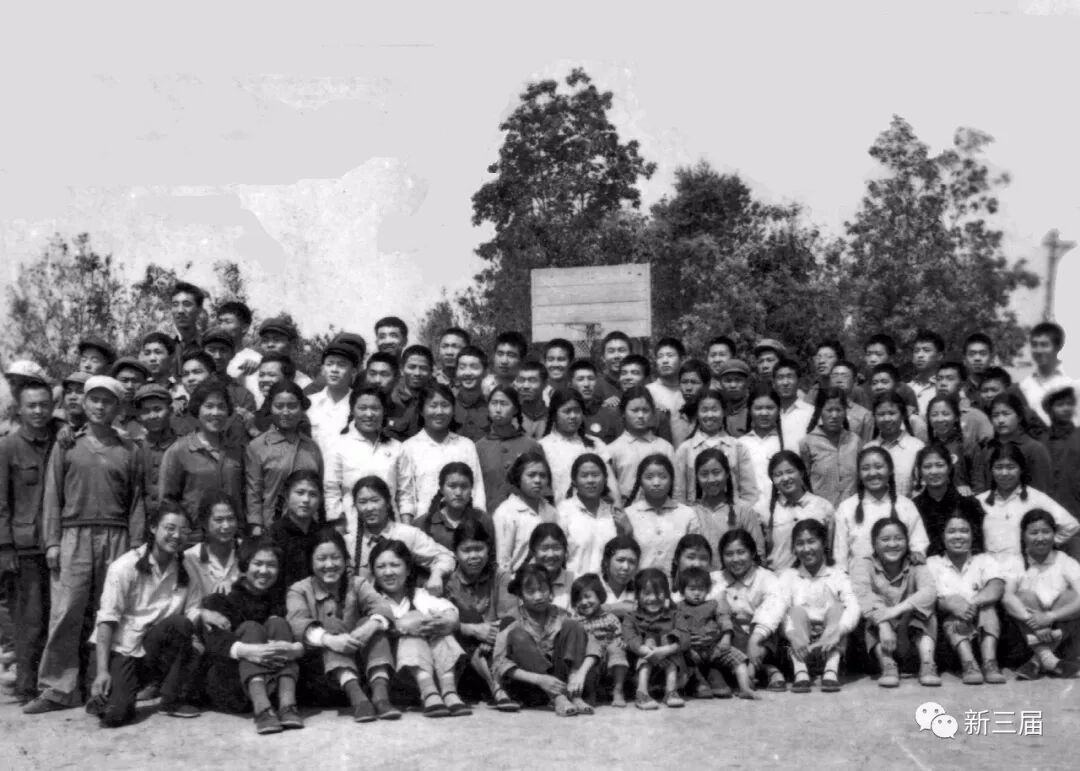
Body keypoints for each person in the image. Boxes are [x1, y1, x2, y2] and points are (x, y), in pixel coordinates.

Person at [25, 376, 145, 714]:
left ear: (118, 407)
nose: (99, 406)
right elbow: (52, 496)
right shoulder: (67, 445)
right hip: (73, 535)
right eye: (94, 399)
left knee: (110, 613)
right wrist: (52, 542)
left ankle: (101, 687)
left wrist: (136, 547)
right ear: (85, 402)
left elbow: (137, 501)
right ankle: (57, 689)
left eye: (107, 401)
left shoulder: (130, 449)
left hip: (117, 536)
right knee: (67, 611)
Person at [86, 502, 204, 726]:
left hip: (153, 646)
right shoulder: (125, 567)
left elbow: (193, 610)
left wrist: (200, 629)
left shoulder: (186, 568)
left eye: (183, 530)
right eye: (170, 528)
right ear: (153, 528)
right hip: (121, 648)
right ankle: (111, 690)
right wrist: (102, 671)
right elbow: (107, 620)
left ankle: (171, 698)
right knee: (115, 716)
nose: (176, 536)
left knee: (181, 624)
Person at [199, 537, 306, 735]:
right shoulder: (223, 598)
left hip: (275, 685)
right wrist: (249, 651)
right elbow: (214, 640)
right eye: (258, 563)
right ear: (245, 565)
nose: (264, 571)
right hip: (233, 688)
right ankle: (262, 709)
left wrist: (293, 649)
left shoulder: (282, 599)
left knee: (278, 623)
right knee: (251, 628)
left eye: (271, 565)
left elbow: (301, 630)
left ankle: (287, 705)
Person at [0, 379, 56, 704]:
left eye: (44, 405)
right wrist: (5, 547)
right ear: (19, 410)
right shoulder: (7, 447)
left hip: (56, 543)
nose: (38, 411)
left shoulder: (58, 440)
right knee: (28, 619)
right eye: (31, 405)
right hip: (24, 547)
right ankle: (26, 685)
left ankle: (49, 681)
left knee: (54, 617)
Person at [369, 539, 469, 717]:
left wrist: (447, 620)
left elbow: (449, 611)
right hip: (402, 676)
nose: (388, 572)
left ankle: (449, 692)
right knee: (411, 636)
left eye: (395, 565)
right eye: (381, 567)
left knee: (440, 629)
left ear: (408, 570)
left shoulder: (420, 595)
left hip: (439, 670)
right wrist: (403, 626)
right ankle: (429, 693)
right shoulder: (373, 601)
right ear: (374, 573)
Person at [493, 563, 598, 717]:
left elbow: (592, 643)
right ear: (520, 595)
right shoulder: (511, 619)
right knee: (518, 635)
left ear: (550, 590)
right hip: (531, 686)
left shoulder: (561, 614)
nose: (538, 596)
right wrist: (540, 679)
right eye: (530, 591)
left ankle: (574, 695)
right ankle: (558, 698)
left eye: (543, 589)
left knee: (573, 625)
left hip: (564, 682)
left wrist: (579, 674)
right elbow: (498, 665)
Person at [851, 518, 940, 688]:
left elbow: (929, 591)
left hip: (910, 634)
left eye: (898, 538)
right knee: (870, 615)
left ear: (907, 542)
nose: (892, 544)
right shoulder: (863, 564)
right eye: (885, 539)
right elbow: (864, 595)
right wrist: (884, 624)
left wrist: (895, 610)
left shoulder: (916, 563)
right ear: (874, 544)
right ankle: (888, 665)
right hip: (882, 638)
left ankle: (928, 664)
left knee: (926, 610)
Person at [443, 519, 519, 711]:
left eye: (479, 549)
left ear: (488, 549)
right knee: (466, 617)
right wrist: (473, 630)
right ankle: (496, 688)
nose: (474, 556)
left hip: (496, 651)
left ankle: (497, 687)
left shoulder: (500, 576)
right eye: (466, 550)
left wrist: (491, 637)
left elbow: (511, 617)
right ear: (456, 553)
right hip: (462, 658)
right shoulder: (449, 583)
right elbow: (444, 623)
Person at [925, 509, 1007, 684]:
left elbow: (997, 587)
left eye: (964, 531)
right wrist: (952, 605)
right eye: (951, 531)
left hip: (980, 621)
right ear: (942, 536)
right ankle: (968, 663)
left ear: (972, 535)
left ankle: (990, 663)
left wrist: (972, 604)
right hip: (950, 631)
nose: (958, 536)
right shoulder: (932, 563)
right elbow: (930, 597)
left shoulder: (984, 560)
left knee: (988, 608)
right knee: (952, 608)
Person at [779, 519, 859, 693]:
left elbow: (853, 607)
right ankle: (801, 672)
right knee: (795, 611)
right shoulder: (788, 576)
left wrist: (836, 632)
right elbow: (780, 611)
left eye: (811, 541)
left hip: (831, 642)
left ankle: (831, 671)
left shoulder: (838, 575)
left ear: (823, 543)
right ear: (794, 548)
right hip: (799, 644)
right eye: (800, 543)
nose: (806, 548)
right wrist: (791, 635)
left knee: (838, 609)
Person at [159, 381, 246, 539]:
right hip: (193, 539)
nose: (216, 413)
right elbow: (167, 501)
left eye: (221, 407)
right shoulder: (179, 451)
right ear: (197, 409)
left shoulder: (237, 451)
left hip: (231, 536)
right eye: (209, 406)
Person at [323, 385, 407, 544]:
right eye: (362, 408)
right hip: (352, 529)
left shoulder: (396, 448)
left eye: (375, 408)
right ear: (352, 410)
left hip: (392, 530)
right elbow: (331, 490)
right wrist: (339, 529)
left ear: (383, 411)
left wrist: (405, 530)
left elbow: (405, 493)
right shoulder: (338, 446)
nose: (369, 414)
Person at [1002, 509, 1080, 679]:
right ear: (1023, 536)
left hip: (1060, 631)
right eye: (1034, 532)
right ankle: (1049, 660)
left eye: (1046, 532)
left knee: (1071, 596)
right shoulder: (1015, 561)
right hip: (1027, 633)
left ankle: (1038, 661)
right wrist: (1035, 622)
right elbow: (1007, 597)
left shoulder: (1065, 561)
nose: (1040, 538)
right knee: (1024, 596)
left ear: (1054, 534)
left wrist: (1050, 616)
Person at [974, 443, 1079, 566]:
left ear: (1021, 470)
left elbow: (1071, 525)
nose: (1004, 473)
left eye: (1011, 467)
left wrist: (1043, 546)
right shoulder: (979, 501)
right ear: (991, 470)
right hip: (989, 571)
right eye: (998, 467)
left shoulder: (1036, 499)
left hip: (1026, 570)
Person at [351, 476, 455, 595]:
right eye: (362, 502)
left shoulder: (408, 534)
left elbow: (446, 558)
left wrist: (436, 575)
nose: (369, 508)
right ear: (355, 506)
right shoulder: (349, 542)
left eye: (375, 500)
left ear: (388, 502)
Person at [713, 529, 787, 692]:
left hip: (761, 640)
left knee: (771, 623)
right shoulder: (715, 579)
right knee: (726, 621)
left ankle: (751, 669)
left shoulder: (766, 577)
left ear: (752, 553)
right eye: (729, 554)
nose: (735, 559)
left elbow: (772, 608)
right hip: (732, 639)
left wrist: (754, 640)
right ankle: (766, 669)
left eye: (741, 552)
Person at [245, 381, 323, 534]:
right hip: (272, 528)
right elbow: (253, 493)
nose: (285, 412)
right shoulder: (258, 447)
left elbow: (320, 492)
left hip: (308, 530)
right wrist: (256, 527)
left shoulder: (312, 447)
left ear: (301, 408)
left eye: (292, 406)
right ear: (270, 407)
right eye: (279, 406)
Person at [399, 384, 485, 523]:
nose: (439, 411)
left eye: (445, 405)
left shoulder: (466, 446)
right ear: (421, 410)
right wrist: (408, 530)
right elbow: (406, 496)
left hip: (463, 525)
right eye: (433, 406)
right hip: (423, 525)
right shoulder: (409, 447)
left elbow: (477, 490)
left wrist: (478, 524)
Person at [833, 446, 929, 571]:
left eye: (878, 467)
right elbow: (839, 555)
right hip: (858, 579)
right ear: (859, 474)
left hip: (900, 578)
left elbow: (918, 544)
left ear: (890, 470)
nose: (872, 473)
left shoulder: (905, 505)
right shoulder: (846, 508)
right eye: (865, 468)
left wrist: (916, 555)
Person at [675, 566, 755, 700]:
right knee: (682, 659)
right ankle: (696, 684)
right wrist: (687, 644)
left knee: (739, 659)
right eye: (692, 589)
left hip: (714, 648)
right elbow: (678, 628)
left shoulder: (713, 605)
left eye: (701, 589)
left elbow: (724, 619)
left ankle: (745, 688)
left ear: (707, 590)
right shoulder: (679, 608)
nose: (697, 593)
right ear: (683, 591)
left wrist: (726, 637)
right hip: (691, 650)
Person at [674, 389, 756, 505]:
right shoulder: (685, 449)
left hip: (732, 512)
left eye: (714, 409)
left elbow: (749, 493)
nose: (710, 415)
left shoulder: (738, 447)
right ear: (697, 414)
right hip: (696, 513)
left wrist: (739, 513)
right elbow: (678, 495)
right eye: (704, 410)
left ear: (724, 412)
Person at [621, 568, 689, 710]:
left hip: (674, 674)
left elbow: (685, 638)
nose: (653, 598)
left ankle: (671, 692)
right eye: (647, 593)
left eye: (658, 593)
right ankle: (642, 692)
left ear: (667, 594)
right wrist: (650, 653)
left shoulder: (675, 615)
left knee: (670, 639)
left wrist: (665, 650)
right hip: (639, 672)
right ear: (637, 595)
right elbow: (629, 639)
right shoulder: (631, 617)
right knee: (647, 642)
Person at [539, 389, 618, 509]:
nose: (573, 416)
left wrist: (618, 505)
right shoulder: (543, 447)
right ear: (554, 414)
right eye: (567, 411)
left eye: (577, 411)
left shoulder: (595, 444)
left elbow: (611, 482)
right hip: (558, 513)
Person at [757, 451, 834, 572]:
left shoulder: (823, 507)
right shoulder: (763, 512)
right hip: (777, 578)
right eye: (778, 475)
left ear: (801, 473)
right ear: (772, 479)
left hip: (815, 578)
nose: (785, 478)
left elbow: (831, 549)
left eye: (790, 472)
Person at [624, 455, 700, 576]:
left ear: (672, 480)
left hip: (678, 584)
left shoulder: (687, 514)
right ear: (640, 481)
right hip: (640, 583)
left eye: (663, 477)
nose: (656, 483)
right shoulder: (628, 515)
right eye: (649, 477)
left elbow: (695, 555)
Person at [557, 453, 631, 576]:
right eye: (584, 476)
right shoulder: (564, 512)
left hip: (606, 585)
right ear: (574, 481)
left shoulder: (614, 513)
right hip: (573, 584)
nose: (590, 480)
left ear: (605, 479)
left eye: (596, 475)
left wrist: (627, 532)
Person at [911, 443, 987, 557]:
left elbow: (977, 547)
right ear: (920, 471)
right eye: (927, 467)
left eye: (940, 465)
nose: (934, 471)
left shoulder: (969, 503)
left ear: (950, 468)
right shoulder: (914, 507)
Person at [474, 386, 542, 513]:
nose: (498, 409)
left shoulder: (531, 446)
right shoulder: (478, 448)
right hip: (489, 516)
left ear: (515, 409)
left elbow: (543, 489)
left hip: (526, 516)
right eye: (494, 403)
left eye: (504, 404)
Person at [691, 448, 764, 564]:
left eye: (716, 472)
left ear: (727, 474)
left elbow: (758, 553)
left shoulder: (744, 510)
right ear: (696, 477)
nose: (711, 480)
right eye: (704, 474)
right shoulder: (691, 513)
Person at [971, 393, 1052, 495]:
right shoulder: (987, 449)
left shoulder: (1034, 449)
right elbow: (979, 486)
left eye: (1006, 414)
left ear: (1019, 417)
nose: (1000, 420)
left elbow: (1040, 491)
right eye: (995, 415)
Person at [493, 450, 558, 572]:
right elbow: (502, 561)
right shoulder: (506, 513)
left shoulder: (551, 512)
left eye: (543, 475)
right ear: (519, 478)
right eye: (531, 475)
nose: (538, 480)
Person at [570, 573, 629, 707]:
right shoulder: (576, 620)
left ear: (599, 595)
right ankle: (590, 693)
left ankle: (618, 690)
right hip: (588, 661)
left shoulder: (610, 618)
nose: (584, 602)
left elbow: (619, 636)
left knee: (617, 648)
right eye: (578, 599)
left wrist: (621, 641)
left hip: (610, 661)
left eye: (587, 596)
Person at [608, 387, 675, 502]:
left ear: (653, 412)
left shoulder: (665, 448)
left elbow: (676, 487)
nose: (640, 415)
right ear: (623, 413)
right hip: (626, 509)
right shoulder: (613, 449)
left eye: (645, 410)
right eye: (634, 410)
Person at [799, 387, 862, 508]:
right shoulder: (808, 443)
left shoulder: (855, 441)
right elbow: (803, 483)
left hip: (851, 511)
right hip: (819, 511)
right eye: (829, 410)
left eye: (839, 410)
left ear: (845, 411)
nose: (834, 415)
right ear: (820, 411)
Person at [414, 462, 495, 553]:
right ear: (441, 489)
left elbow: (492, 556)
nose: (458, 493)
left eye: (464, 487)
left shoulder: (483, 520)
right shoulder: (422, 524)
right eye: (452, 486)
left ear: (471, 489)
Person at [266, 470, 325, 594]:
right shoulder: (273, 535)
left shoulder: (324, 535)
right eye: (300, 493)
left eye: (313, 494)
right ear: (287, 496)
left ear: (320, 500)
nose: (306, 500)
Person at [1018, 322, 1079, 431]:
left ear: (1058, 347)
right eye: (1034, 345)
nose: (1038, 350)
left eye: (1044, 345)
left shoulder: (1073, 381)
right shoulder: (1025, 385)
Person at [1041, 387, 1080, 554]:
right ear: (1049, 410)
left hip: (1077, 514)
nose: (1066, 408)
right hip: (1049, 516)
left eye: (1070, 404)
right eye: (1060, 404)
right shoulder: (1041, 441)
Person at [306, 343, 360, 461]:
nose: (334, 370)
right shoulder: (309, 403)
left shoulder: (360, 405)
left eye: (341, 365)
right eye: (329, 364)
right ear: (322, 370)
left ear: (353, 371)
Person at [865, 391, 925, 497]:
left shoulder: (917, 448)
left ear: (902, 415)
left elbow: (921, 488)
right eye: (881, 414)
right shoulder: (868, 449)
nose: (886, 419)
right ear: (874, 417)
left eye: (892, 413)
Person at [183, 492, 241, 598]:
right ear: (204, 523)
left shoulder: (247, 551)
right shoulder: (190, 558)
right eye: (219, 520)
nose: (226, 526)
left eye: (231, 519)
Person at [736, 388, 784, 508]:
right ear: (750, 411)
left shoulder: (785, 443)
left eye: (770, 408)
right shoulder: (740, 444)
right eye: (758, 408)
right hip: (747, 510)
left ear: (778, 410)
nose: (764, 413)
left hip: (780, 509)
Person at [925, 393, 979, 494]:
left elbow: (979, 484)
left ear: (956, 417)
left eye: (945, 414)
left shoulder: (968, 444)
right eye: (934, 415)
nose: (940, 419)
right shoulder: (926, 447)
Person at [385, 345, 434, 442]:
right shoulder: (388, 399)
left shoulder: (438, 401)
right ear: (401, 369)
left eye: (423, 368)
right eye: (412, 367)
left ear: (430, 372)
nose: (417, 373)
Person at [774, 358, 814, 452]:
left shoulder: (811, 413)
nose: (785, 382)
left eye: (790, 377)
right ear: (774, 383)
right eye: (780, 377)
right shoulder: (769, 413)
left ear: (799, 381)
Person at [670, 359, 711, 448]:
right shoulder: (674, 416)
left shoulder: (712, 417)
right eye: (684, 382)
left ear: (706, 385)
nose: (688, 388)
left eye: (694, 382)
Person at [452, 345, 490, 441]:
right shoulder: (448, 405)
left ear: (485, 372)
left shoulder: (493, 407)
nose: (467, 373)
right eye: (462, 367)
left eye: (474, 367)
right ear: (456, 372)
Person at [599, 535, 641, 616]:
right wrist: (617, 608)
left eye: (632, 562)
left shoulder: (641, 592)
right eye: (620, 560)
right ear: (606, 562)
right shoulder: (590, 587)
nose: (626, 567)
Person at [907, 329, 945, 418]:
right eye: (916, 351)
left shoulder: (946, 388)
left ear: (939, 356)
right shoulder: (905, 388)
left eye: (926, 350)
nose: (920, 355)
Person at [646, 338, 686, 418]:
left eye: (670, 355)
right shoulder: (648, 391)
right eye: (660, 356)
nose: (664, 361)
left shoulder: (689, 390)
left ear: (682, 359)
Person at [715, 360, 751, 438]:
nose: (733, 385)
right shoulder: (717, 409)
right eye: (728, 381)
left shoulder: (755, 409)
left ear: (748, 382)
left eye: (738, 380)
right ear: (720, 383)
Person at [513, 360, 549, 440]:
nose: (526, 386)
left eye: (532, 380)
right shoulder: (510, 417)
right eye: (521, 380)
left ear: (545, 384)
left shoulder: (554, 418)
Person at [595, 331, 632, 404]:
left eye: (622, 350)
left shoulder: (640, 383)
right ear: (603, 358)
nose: (616, 356)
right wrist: (603, 405)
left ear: (631, 355)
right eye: (611, 351)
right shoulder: (595, 386)